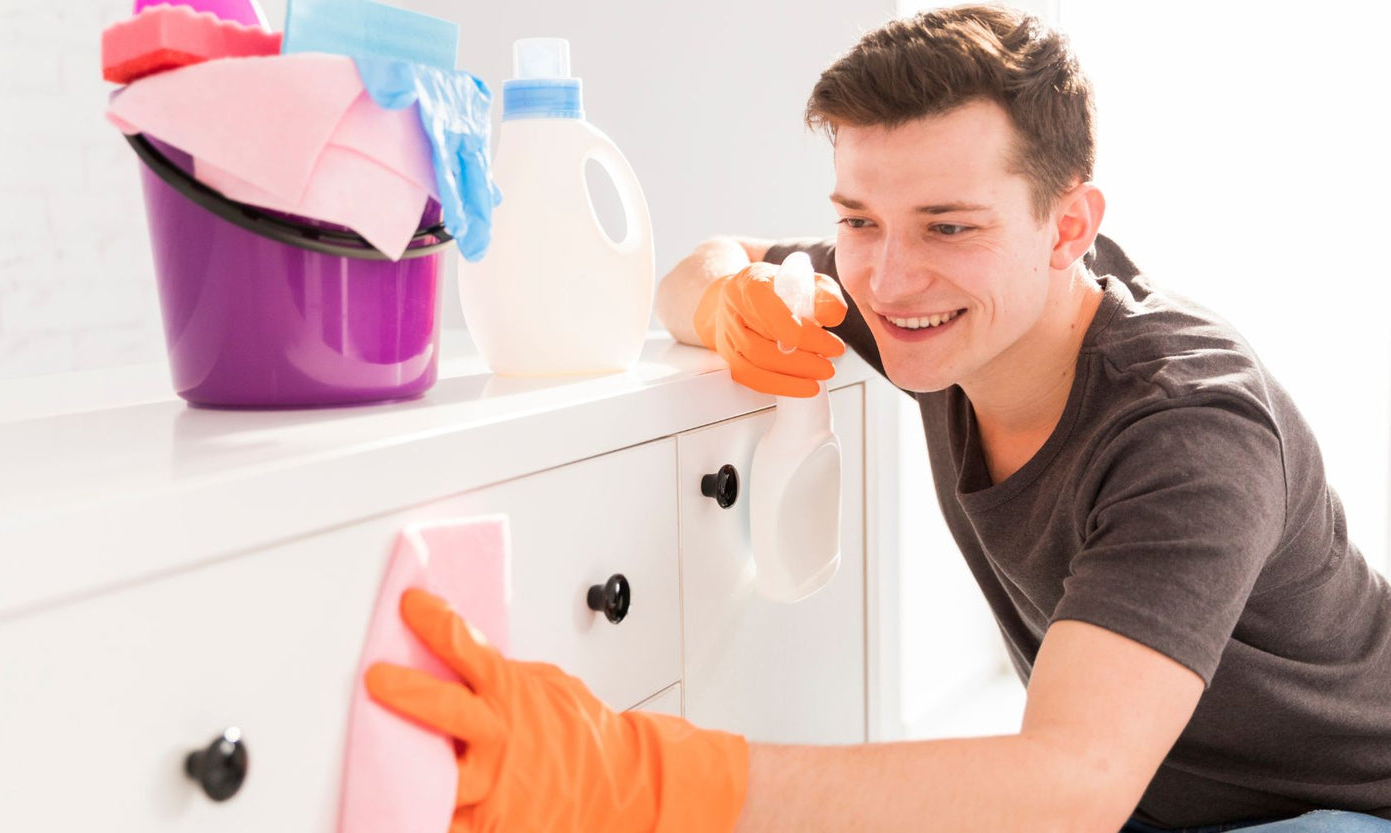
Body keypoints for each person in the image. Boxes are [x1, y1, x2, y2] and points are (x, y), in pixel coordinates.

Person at [362, 5, 1391, 831]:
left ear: (1066, 226)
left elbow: (1072, 784)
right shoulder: (960, 308)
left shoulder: (1190, 427)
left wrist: (649, 777)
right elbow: (699, 270)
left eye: (949, 225)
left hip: (1332, 801)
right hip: (1158, 791)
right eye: (856, 219)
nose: (889, 280)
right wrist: (731, 301)